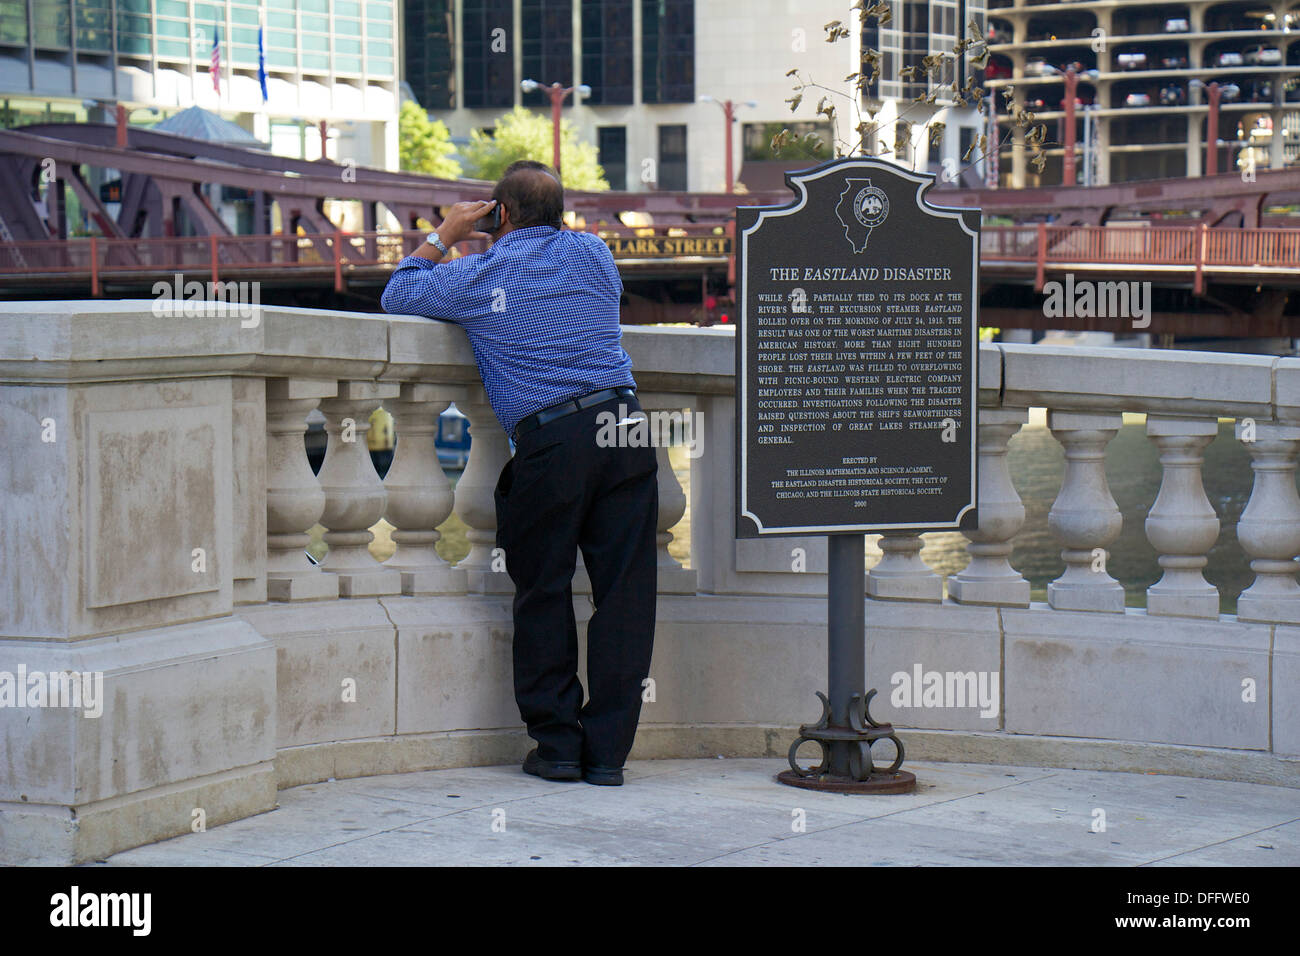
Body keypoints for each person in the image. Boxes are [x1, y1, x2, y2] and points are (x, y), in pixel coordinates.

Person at [381, 160, 658, 787]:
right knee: (626, 596)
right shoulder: (595, 254)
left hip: (553, 439)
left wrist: (447, 233)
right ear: (561, 212)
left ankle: (559, 747)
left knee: (543, 590)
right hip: (626, 425)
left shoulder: (481, 272)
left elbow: (399, 292)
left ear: (498, 215)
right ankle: (609, 754)